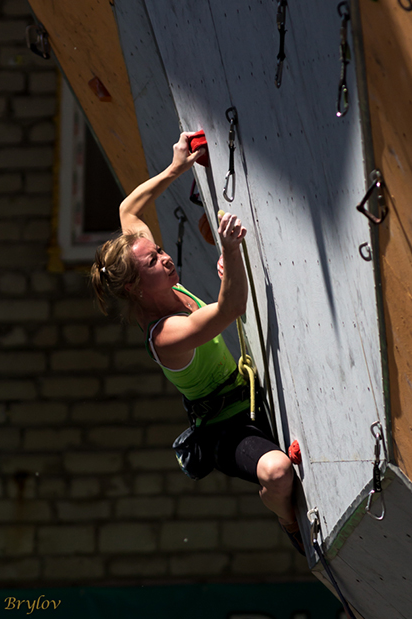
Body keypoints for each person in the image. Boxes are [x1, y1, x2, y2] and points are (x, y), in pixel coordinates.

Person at [90, 132, 304, 553]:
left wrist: (176, 167)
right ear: (134, 288)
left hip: (251, 395)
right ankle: (286, 519)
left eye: (161, 251)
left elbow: (127, 208)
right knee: (278, 473)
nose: (166, 259)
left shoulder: (155, 274)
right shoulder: (165, 335)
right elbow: (230, 310)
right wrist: (231, 253)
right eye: (153, 262)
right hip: (226, 429)